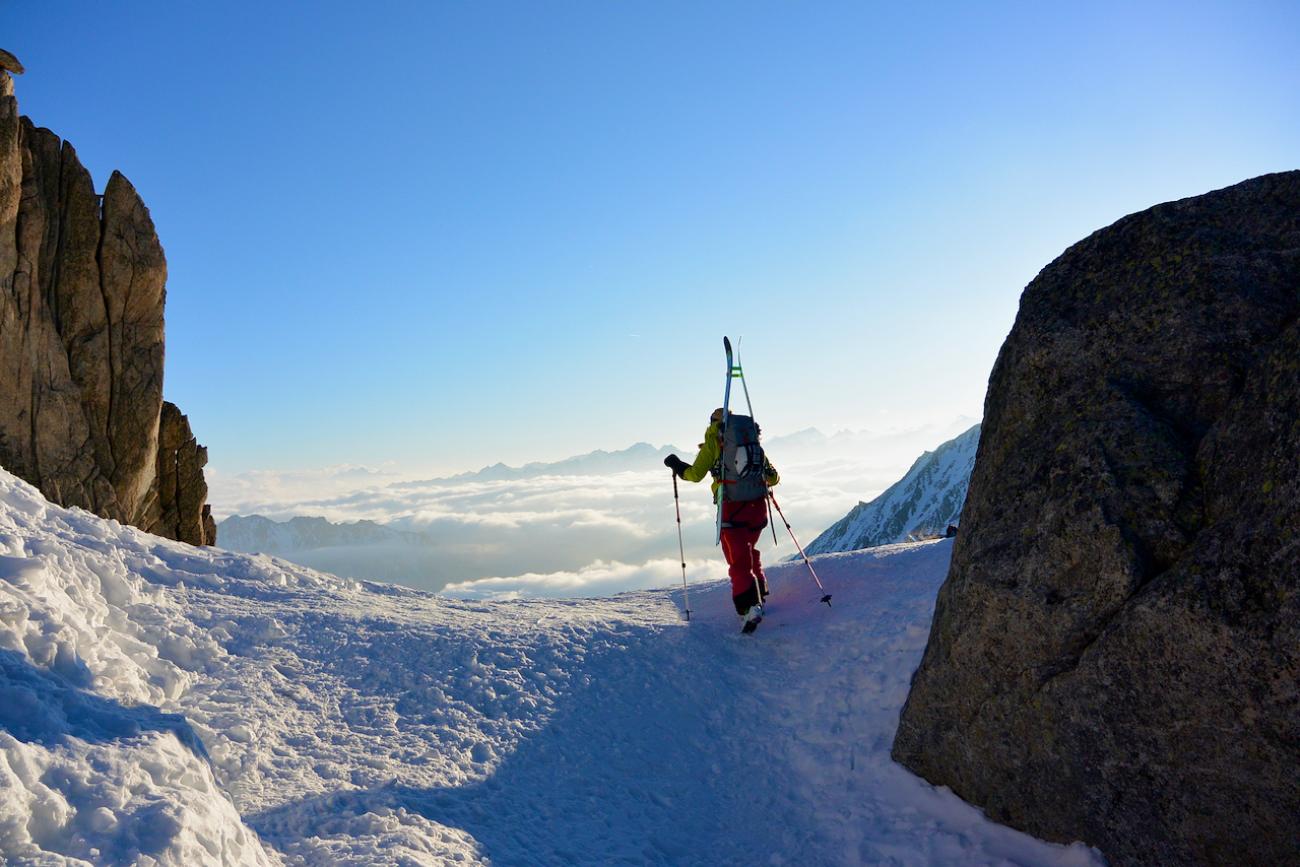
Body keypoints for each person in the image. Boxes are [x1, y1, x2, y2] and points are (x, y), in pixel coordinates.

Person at [664, 407, 780, 631]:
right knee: (749, 550)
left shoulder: (714, 443)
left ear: (714, 423)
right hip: (758, 509)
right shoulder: (752, 444)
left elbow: (694, 475)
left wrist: (676, 465)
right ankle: (760, 595)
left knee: (737, 561)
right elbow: (773, 478)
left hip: (731, 509)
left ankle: (747, 608)